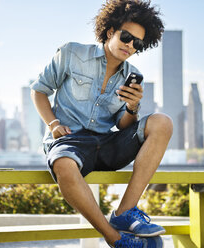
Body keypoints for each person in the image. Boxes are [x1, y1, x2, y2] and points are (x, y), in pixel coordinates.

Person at [30, 0, 172, 247]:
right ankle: (115, 238)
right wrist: (52, 124)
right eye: (126, 37)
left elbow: (124, 126)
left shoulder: (132, 74)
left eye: (137, 43)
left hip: (106, 145)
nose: (130, 45)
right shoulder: (72, 53)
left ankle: (124, 213)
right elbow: (39, 91)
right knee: (63, 164)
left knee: (163, 122)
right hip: (70, 141)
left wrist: (133, 107)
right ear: (110, 31)